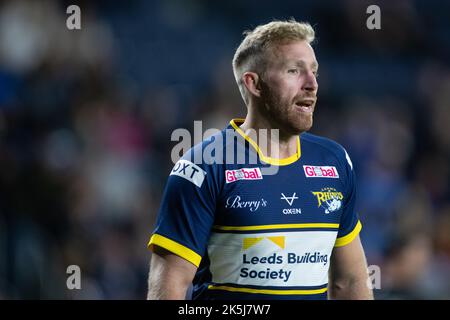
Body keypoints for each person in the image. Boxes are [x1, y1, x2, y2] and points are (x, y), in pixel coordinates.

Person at [147, 19, 373, 300]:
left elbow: (350, 282)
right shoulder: (203, 166)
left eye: (314, 72)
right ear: (254, 84)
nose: (312, 84)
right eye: (294, 71)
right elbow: (170, 286)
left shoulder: (335, 161)